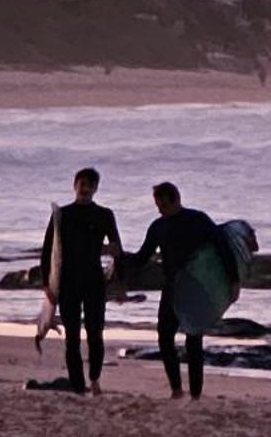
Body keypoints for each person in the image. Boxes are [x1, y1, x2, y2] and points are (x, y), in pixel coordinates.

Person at [123, 181, 237, 402]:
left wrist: (233, 281)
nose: (159, 210)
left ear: (175, 199)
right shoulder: (158, 226)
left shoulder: (198, 220)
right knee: (164, 337)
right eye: (157, 205)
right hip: (172, 289)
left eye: (162, 205)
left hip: (195, 289)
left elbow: (222, 248)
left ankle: (195, 394)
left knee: (193, 341)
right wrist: (119, 258)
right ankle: (176, 389)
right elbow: (141, 258)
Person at [42, 167, 123, 395]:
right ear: (74, 186)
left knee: (96, 332)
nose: (85, 189)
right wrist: (46, 283)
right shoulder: (62, 215)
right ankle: (78, 386)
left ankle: (95, 378)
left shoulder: (105, 215)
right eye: (81, 184)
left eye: (89, 185)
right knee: (72, 336)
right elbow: (50, 249)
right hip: (68, 281)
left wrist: (121, 282)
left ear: (96, 188)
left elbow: (117, 249)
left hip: (94, 280)